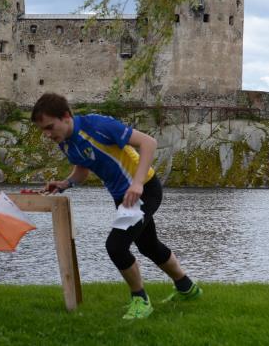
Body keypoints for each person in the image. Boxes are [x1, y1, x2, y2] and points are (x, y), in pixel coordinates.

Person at [31, 92, 201, 320]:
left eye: (50, 127)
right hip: (124, 197)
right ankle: (187, 288)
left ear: (66, 116)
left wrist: (138, 183)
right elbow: (82, 170)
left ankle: (140, 300)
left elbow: (148, 143)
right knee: (149, 246)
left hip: (145, 189)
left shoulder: (98, 125)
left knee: (116, 247)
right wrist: (65, 183)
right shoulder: (66, 143)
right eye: (43, 130)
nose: (48, 134)